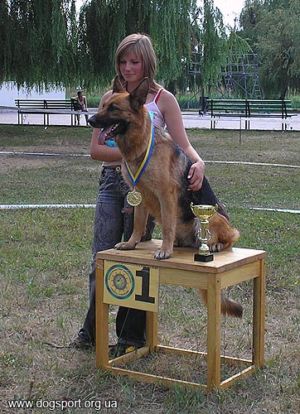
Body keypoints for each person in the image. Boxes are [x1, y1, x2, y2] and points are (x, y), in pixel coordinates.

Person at [70, 33, 227, 355]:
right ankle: (90, 332)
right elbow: (97, 150)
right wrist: (140, 153)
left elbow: (181, 145)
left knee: (139, 265)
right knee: (101, 260)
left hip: (151, 190)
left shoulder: (163, 99)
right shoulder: (111, 96)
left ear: (147, 63)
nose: (128, 68)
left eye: (134, 61)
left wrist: (197, 162)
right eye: (122, 62)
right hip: (115, 185)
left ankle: (130, 339)